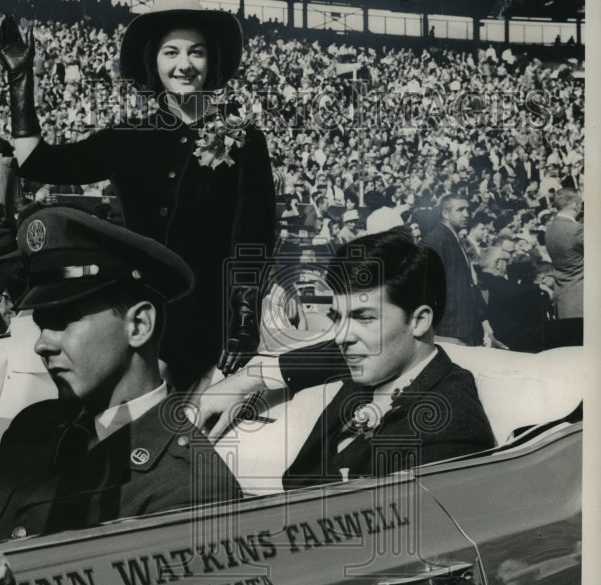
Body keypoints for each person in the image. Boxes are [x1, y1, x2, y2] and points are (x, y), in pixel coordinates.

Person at [0, 206, 242, 539]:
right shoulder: (31, 426)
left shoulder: (191, 489)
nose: (41, 345)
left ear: (139, 325)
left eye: (63, 321)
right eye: (42, 325)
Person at [0, 0, 276, 390]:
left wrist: (245, 321)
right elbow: (37, 163)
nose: (184, 65)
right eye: (171, 52)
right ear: (153, 61)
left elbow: (254, 235)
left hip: (210, 328)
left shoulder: (245, 139)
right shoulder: (127, 137)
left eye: (196, 52)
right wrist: (21, 78)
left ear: (211, 61)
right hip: (134, 321)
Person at [193, 232, 495, 476]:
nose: (340, 337)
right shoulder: (379, 361)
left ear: (419, 321)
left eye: (364, 318)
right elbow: (323, 357)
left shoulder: (450, 428)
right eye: (337, 318)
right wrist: (243, 381)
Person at [424, 194, 505, 348]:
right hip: (451, 330)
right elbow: (429, 288)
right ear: (445, 213)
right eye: (460, 210)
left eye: (468, 209)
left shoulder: (454, 238)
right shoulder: (436, 240)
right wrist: (440, 335)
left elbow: (470, 283)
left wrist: (485, 325)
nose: (467, 214)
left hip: (466, 326)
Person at [544, 187, 583, 342]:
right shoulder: (577, 230)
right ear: (574, 204)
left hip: (562, 302)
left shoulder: (550, 229)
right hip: (581, 303)